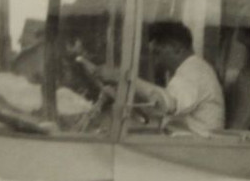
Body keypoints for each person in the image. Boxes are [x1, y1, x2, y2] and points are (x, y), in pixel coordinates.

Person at [74, 20, 224, 136]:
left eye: (158, 53)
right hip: (183, 143)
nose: (157, 61)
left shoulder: (194, 72)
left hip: (195, 150)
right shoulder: (191, 70)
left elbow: (165, 103)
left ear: (176, 47)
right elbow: (156, 109)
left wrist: (121, 77)